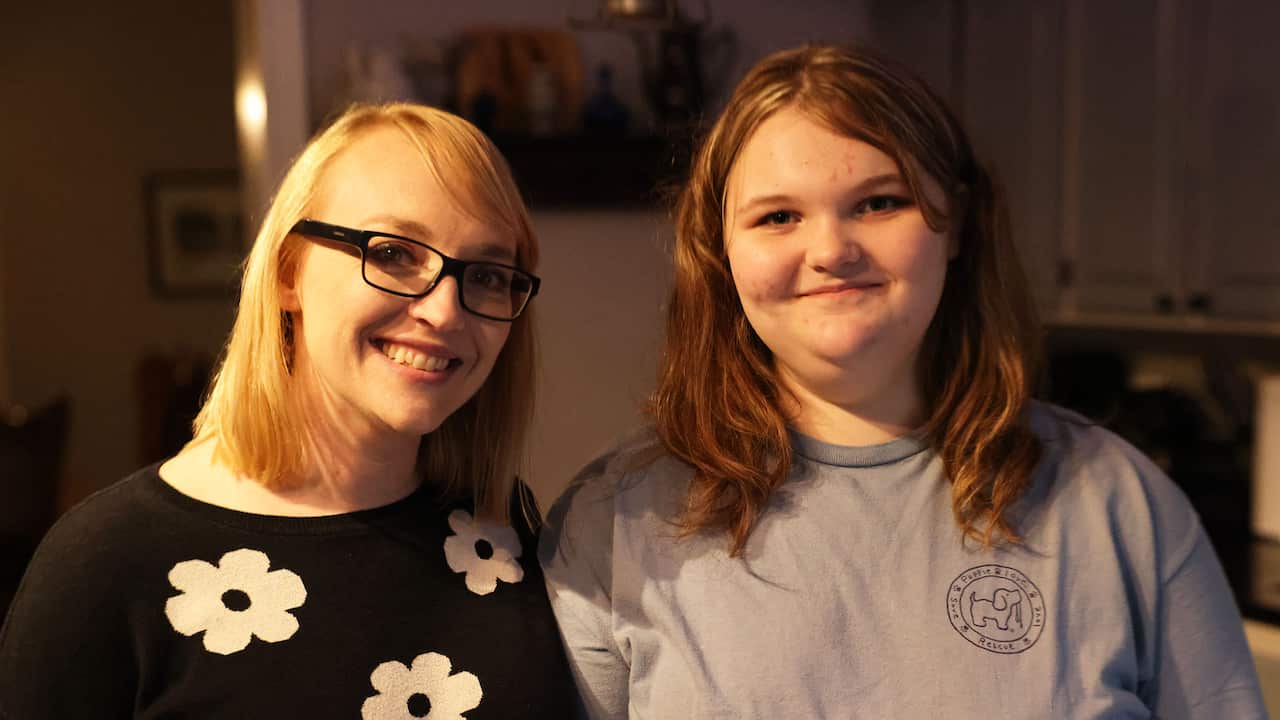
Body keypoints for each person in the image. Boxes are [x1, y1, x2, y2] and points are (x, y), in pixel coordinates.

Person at [539, 45, 1266, 718]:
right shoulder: (614, 523)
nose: (829, 249)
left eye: (879, 202)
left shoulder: (1119, 505)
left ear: (957, 223)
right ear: (720, 254)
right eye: (778, 216)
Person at [0, 103, 575, 718]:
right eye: (393, 254)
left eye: (487, 274)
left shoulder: (502, 526)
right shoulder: (104, 565)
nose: (444, 312)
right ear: (286, 272)